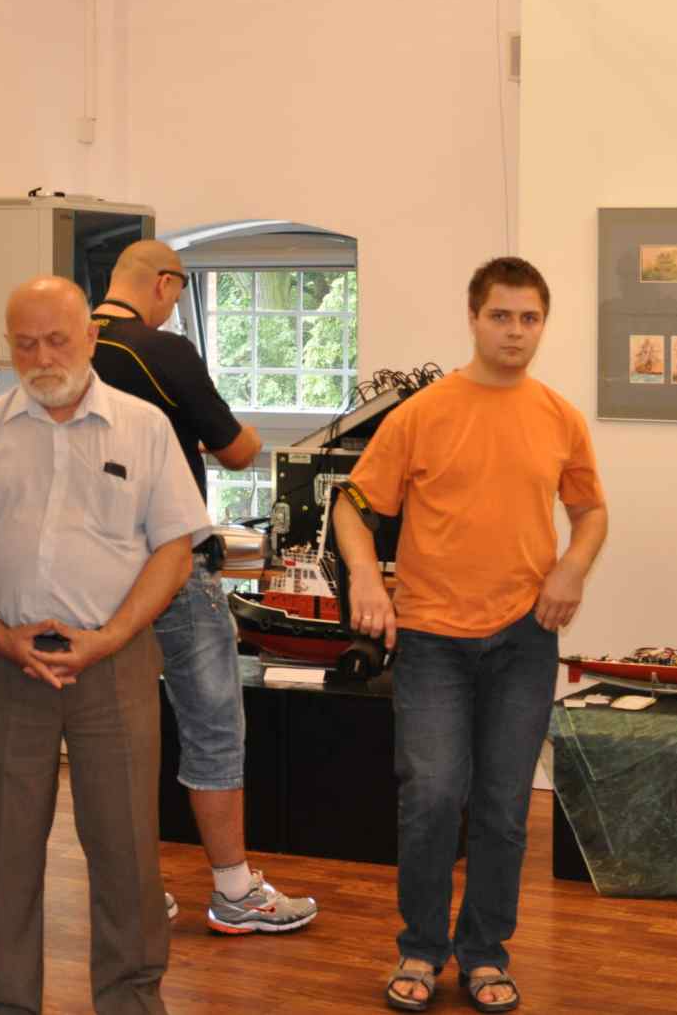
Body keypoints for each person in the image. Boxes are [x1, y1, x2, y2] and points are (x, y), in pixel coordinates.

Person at [332, 256, 607, 1013]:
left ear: (543, 325)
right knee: (431, 795)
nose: (515, 331)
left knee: (503, 805)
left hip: (525, 636)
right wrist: (365, 577)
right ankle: (421, 949)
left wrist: (572, 568)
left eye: (529, 318)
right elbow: (352, 506)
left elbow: (590, 512)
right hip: (431, 640)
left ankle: (484, 954)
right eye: (501, 316)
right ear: (474, 318)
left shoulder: (558, 416)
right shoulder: (422, 414)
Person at [0, 276, 209, 1014]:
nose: (43, 358)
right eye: (25, 344)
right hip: (6, 663)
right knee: (5, 850)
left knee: (124, 846)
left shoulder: (144, 428)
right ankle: (4, 1000)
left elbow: (174, 552)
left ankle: (131, 1000)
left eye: (57, 340)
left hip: (113, 663)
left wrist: (110, 637)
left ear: (90, 337)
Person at [90, 239, 315, 933]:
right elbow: (237, 449)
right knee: (213, 724)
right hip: (173, 565)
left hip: (93, 572)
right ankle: (234, 890)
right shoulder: (163, 351)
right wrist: (234, 434)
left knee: (112, 733)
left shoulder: (73, 349)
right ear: (164, 284)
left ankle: (132, 892)